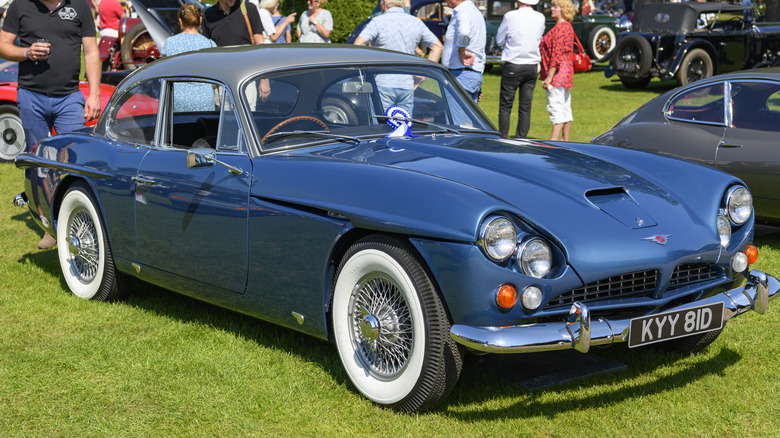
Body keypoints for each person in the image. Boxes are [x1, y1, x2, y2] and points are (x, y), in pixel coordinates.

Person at [0, 0, 102, 250]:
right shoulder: (19, 6)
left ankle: (81, 221)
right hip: (31, 96)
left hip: (69, 96)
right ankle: (49, 226)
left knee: (76, 161)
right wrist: (26, 52)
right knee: (40, 164)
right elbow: (3, 46)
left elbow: (90, 51)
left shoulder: (79, 6)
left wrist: (95, 94)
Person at [353, 0, 443, 114]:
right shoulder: (416, 22)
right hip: (407, 84)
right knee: (404, 127)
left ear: (384, 3)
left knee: (381, 128)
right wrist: (423, 74)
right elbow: (437, 47)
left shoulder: (377, 21)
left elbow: (358, 44)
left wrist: (364, 70)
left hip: (382, 82)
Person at [496, 0, 545, 139]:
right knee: (525, 106)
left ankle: (504, 138)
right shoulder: (540, 17)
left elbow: (500, 40)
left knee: (506, 105)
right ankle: (521, 138)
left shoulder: (510, 16)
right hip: (532, 65)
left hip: (513, 63)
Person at [162, 3, 216, 112]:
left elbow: (163, 73)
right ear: (200, 21)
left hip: (178, 100)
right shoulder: (210, 44)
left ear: (180, 21)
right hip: (204, 100)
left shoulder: (170, 43)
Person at [539, 0, 575, 141]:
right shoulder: (568, 26)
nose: (552, 9)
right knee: (565, 107)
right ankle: (565, 140)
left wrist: (549, 76)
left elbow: (556, 54)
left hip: (558, 74)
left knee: (556, 108)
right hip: (566, 72)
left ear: (563, 9)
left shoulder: (560, 28)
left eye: (555, 6)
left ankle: (553, 142)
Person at [441, 0, 486, 102]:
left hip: (461, 74)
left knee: (456, 117)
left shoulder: (463, 11)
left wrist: (461, 51)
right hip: (470, 73)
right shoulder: (474, 11)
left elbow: (464, 33)